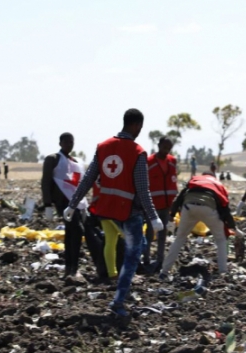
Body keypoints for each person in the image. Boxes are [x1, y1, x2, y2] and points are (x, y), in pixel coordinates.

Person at [64, 108, 163, 318]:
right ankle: (118, 302)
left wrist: (72, 204)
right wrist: (153, 216)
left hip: (107, 210)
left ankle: (121, 291)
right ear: (136, 125)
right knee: (132, 256)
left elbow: (88, 179)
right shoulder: (138, 152)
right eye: (140, 128)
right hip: (129, 212)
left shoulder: (103, 147)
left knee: (135, 245)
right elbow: (143, 189)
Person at [160, 172, 242, 278]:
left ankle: (164, 272)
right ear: (214, 177)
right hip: (208, 207)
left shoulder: (195, 180)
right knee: (221, 240)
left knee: (179, 238)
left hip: (188, 206)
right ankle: (223, 272)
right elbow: (225, 208)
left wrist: (172, 214)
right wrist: (232, 226)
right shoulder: (217, 184)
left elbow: (180, 197)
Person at [42, 133, 93, 279]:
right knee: (76, 230)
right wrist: (47, 204)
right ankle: (72, 268)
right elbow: (46, 181)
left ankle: (71, 268)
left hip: (75, 202)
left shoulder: (76, 162)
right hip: (62, 202)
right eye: (66, 142)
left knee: (72, 232)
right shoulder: (53, 159)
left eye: (71, 142)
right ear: (60, 143)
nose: (69, 144)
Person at [143, 136, 178, 272]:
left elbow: (173, 182)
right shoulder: (149, 162)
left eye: (169, 148)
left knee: (163, 235)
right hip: (152, 205)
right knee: (150, 233)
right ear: (159, 145)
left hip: (167, 204)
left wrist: (175, 204)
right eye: (164, 147)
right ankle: (146, 259)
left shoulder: (172, 161)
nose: (166, 151)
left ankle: (160, 260)